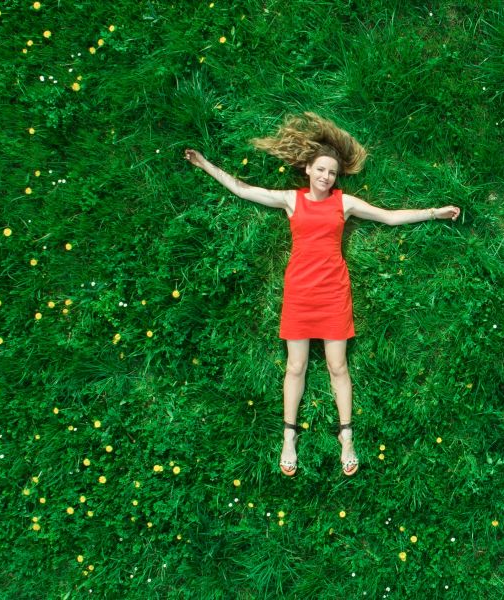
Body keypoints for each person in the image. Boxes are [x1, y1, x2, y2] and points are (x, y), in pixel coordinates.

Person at [185, 112, 460, 477]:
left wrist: (434, 212)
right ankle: (288, 438)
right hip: (299, 293)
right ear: (307, 169)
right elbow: (243, 189)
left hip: (333, 293)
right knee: (295, 366)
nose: (326, 177)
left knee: (338, 366)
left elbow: (389, 217)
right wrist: (205, 164)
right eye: (321, 170)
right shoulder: (290, 200)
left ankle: (346, 438)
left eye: (332, 172)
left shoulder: (343, 204)